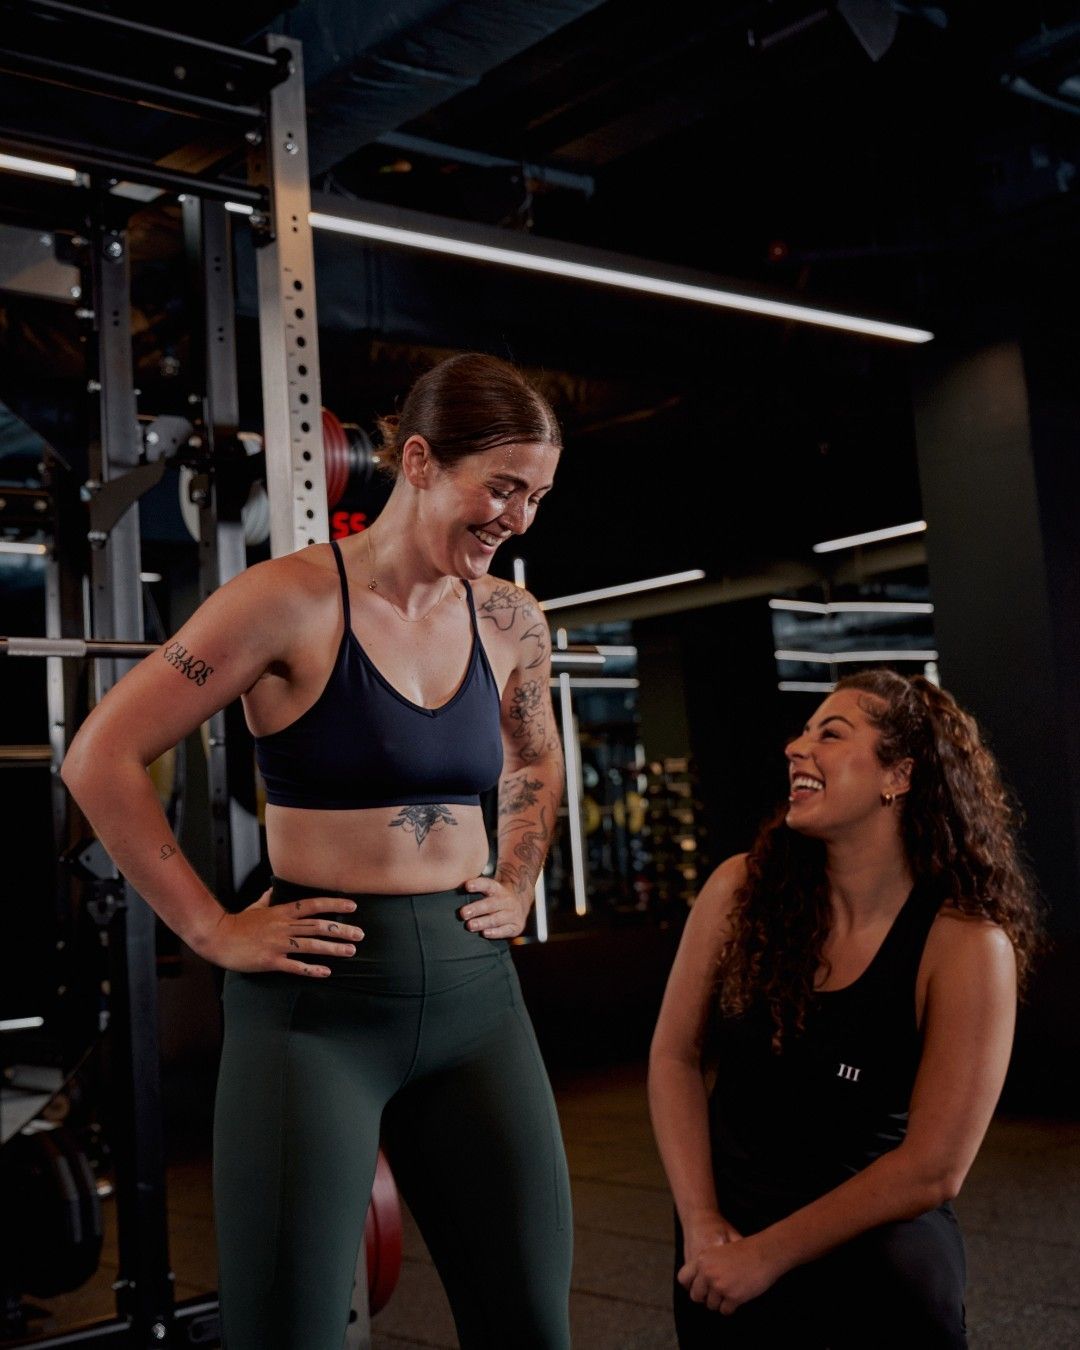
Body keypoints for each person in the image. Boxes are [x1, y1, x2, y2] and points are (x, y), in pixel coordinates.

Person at [61, 352, 573, 1350]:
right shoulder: (281, 601)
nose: (519, 517)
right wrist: (209, 927)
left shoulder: (513, 619)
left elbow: (533, 765)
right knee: (290, 1333)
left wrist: (518, 879)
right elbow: (99, 757)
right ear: (419, 460)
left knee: (530, 1326)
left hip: (476, 995)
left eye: (538, 496)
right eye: (502, 486)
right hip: (318, 1005)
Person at [648, 669, 1041, 1349]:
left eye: (831, 734)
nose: (797, 748)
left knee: (901, 1286)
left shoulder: (968, 945)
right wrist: (703, 1221)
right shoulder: (739, 889)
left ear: (900, 775)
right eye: (803, 732)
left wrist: (766, 1256)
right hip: (728, 1233)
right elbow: (674, 1057)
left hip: (872, 1239)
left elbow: (933, 1168)